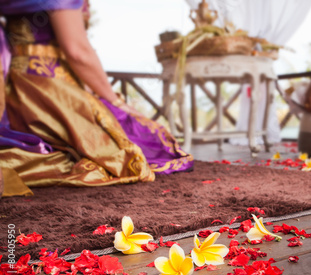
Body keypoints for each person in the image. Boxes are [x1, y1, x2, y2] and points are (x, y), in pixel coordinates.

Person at [0, 0, 194, 197]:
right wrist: (118, 102)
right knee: (139, 149)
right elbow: (77, 52)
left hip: (13, 87)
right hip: (49, 85)